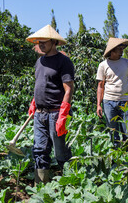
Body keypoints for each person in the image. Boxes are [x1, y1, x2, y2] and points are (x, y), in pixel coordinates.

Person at [26, 25, 74, 184]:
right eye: (39, 42)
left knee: (61, 153)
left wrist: (63, 114)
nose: (40, 45)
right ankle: (40, 188)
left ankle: (72, 188)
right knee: (39, 151)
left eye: (44, 42)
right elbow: (40, 84)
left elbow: (68, 89)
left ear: (53, 42)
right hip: (40, 114)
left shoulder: (64, 61)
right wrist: (34, 102)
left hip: (56, 113)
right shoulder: (39, 61)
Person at [96, 37, 128, 149]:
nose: (122, 51)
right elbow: (100, 86)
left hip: (125, 102)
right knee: (113, 132)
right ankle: (116, 158)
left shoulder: (127, 63)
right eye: (119, 49)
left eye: (122, 48)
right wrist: (98, 105)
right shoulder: (103, 65)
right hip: (109, 102)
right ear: (112, 51)